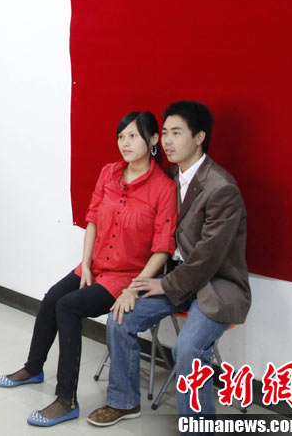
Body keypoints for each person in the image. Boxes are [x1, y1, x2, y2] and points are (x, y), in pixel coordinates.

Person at [0, 111, 177, 427]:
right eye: (121, 136)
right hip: (94, 266)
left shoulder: (163, 188)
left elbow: (162, 249)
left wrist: (134, 288)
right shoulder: (109, 173)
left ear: (153, 140)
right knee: (52, 297)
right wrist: (87, 264)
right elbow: (92, 220)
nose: (125, 143)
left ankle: (66, 400)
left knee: (68, 307)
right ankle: (33, 368)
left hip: (125, 276)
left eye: (133, 136)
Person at [87, 100, 251, 426]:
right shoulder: (168, 177)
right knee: (120, 319)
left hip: (216, 285)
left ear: (200, 137)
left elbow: (207, 259)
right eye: (164, 133)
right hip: (174, 279)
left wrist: (163, 284)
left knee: (187, 349)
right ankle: (124, 402)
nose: (167, 141)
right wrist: (134, 282)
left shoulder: (222, 188)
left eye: (177, 133)